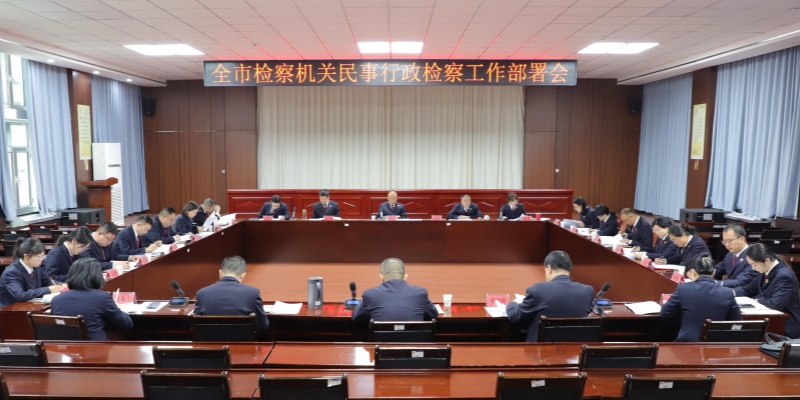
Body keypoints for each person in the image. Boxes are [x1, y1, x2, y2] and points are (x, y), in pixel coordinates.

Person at [505, 250, 594, 342]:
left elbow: (516, 316)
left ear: (549, 268)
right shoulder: (587, 291)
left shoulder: (538, 290)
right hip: (573, 349)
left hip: (539, 349)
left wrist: (513, 304)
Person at [660, 254, 742, 342]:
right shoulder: (727, 292)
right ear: (714, 272)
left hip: (687, 343)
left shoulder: (683, 288)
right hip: (715, 344)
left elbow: (665, 313)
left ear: (692, 272)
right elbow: (736, 320)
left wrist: (685, 317)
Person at [49, 258, 133, 340]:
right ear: (96, 276)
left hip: (65, 347)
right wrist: (120, 308)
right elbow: (126, 324)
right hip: (95, 347)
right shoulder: (102, 297)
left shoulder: (57, 299)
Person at [734, 243, 800, 338]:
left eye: (754, 264)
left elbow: (775, 304)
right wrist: (729, 293)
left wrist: (757, 300)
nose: (753, 268)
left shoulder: (784, 276)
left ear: (767, 260)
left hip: (786, 324)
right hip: (770, 319)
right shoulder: (765, 270)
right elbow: (748, 289)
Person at [194, 256, 269, 333]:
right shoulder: (253, 293)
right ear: (243, 275)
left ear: (220, 273)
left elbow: (195, 326)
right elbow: (263, 326)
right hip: (242, 340)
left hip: (210, 340)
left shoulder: (202, 293)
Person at [351, 258, 438, 324]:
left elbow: (356, 318)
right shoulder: (420, 293)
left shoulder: (370, 294)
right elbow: (434, 315)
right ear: (405, 277)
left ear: (381, 277)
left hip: (381, 343)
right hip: (415, 343)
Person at [0, 238, 65, 308]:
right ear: (26, 256)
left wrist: (60, 285)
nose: (41, 259)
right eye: (38, 256)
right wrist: (48, 289)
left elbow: (48, 281)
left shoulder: (36, 267)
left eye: (43, 256)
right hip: (10, 310)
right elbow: (21, 295)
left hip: (30, 306)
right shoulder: (11, 273)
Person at [713, 224, 758, 289]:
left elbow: (740, 281)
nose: (727, 245)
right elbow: (717, 270)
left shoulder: (753, 256)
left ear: (742, 239)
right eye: (724, 242)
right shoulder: (729, 255)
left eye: (730, 241)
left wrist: (715, 283)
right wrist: (702, 276)